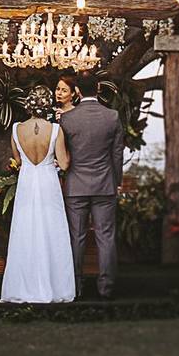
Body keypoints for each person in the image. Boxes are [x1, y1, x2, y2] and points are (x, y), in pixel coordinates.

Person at [0, 85, 76, 304]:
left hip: (26, 183)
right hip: (48, 182)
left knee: (25, 231)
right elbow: (64, 163)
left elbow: (18, 161)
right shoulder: (55, 130)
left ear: (29, 105)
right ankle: (54, 286)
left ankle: (24, 286)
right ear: (47, 106)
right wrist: (64, 156)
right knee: (51, 231)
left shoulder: (16, 129)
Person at [60, 71, 124, 300]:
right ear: (98, 88)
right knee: (105, 237)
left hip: (76, 186)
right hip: (105, 185)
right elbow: (117, 154)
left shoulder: (67, 119)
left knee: (75, 237)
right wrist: (117, 182)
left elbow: (63, 156)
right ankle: (106, 288)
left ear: (77, 91)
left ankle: (75, 287)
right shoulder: (113, 116)